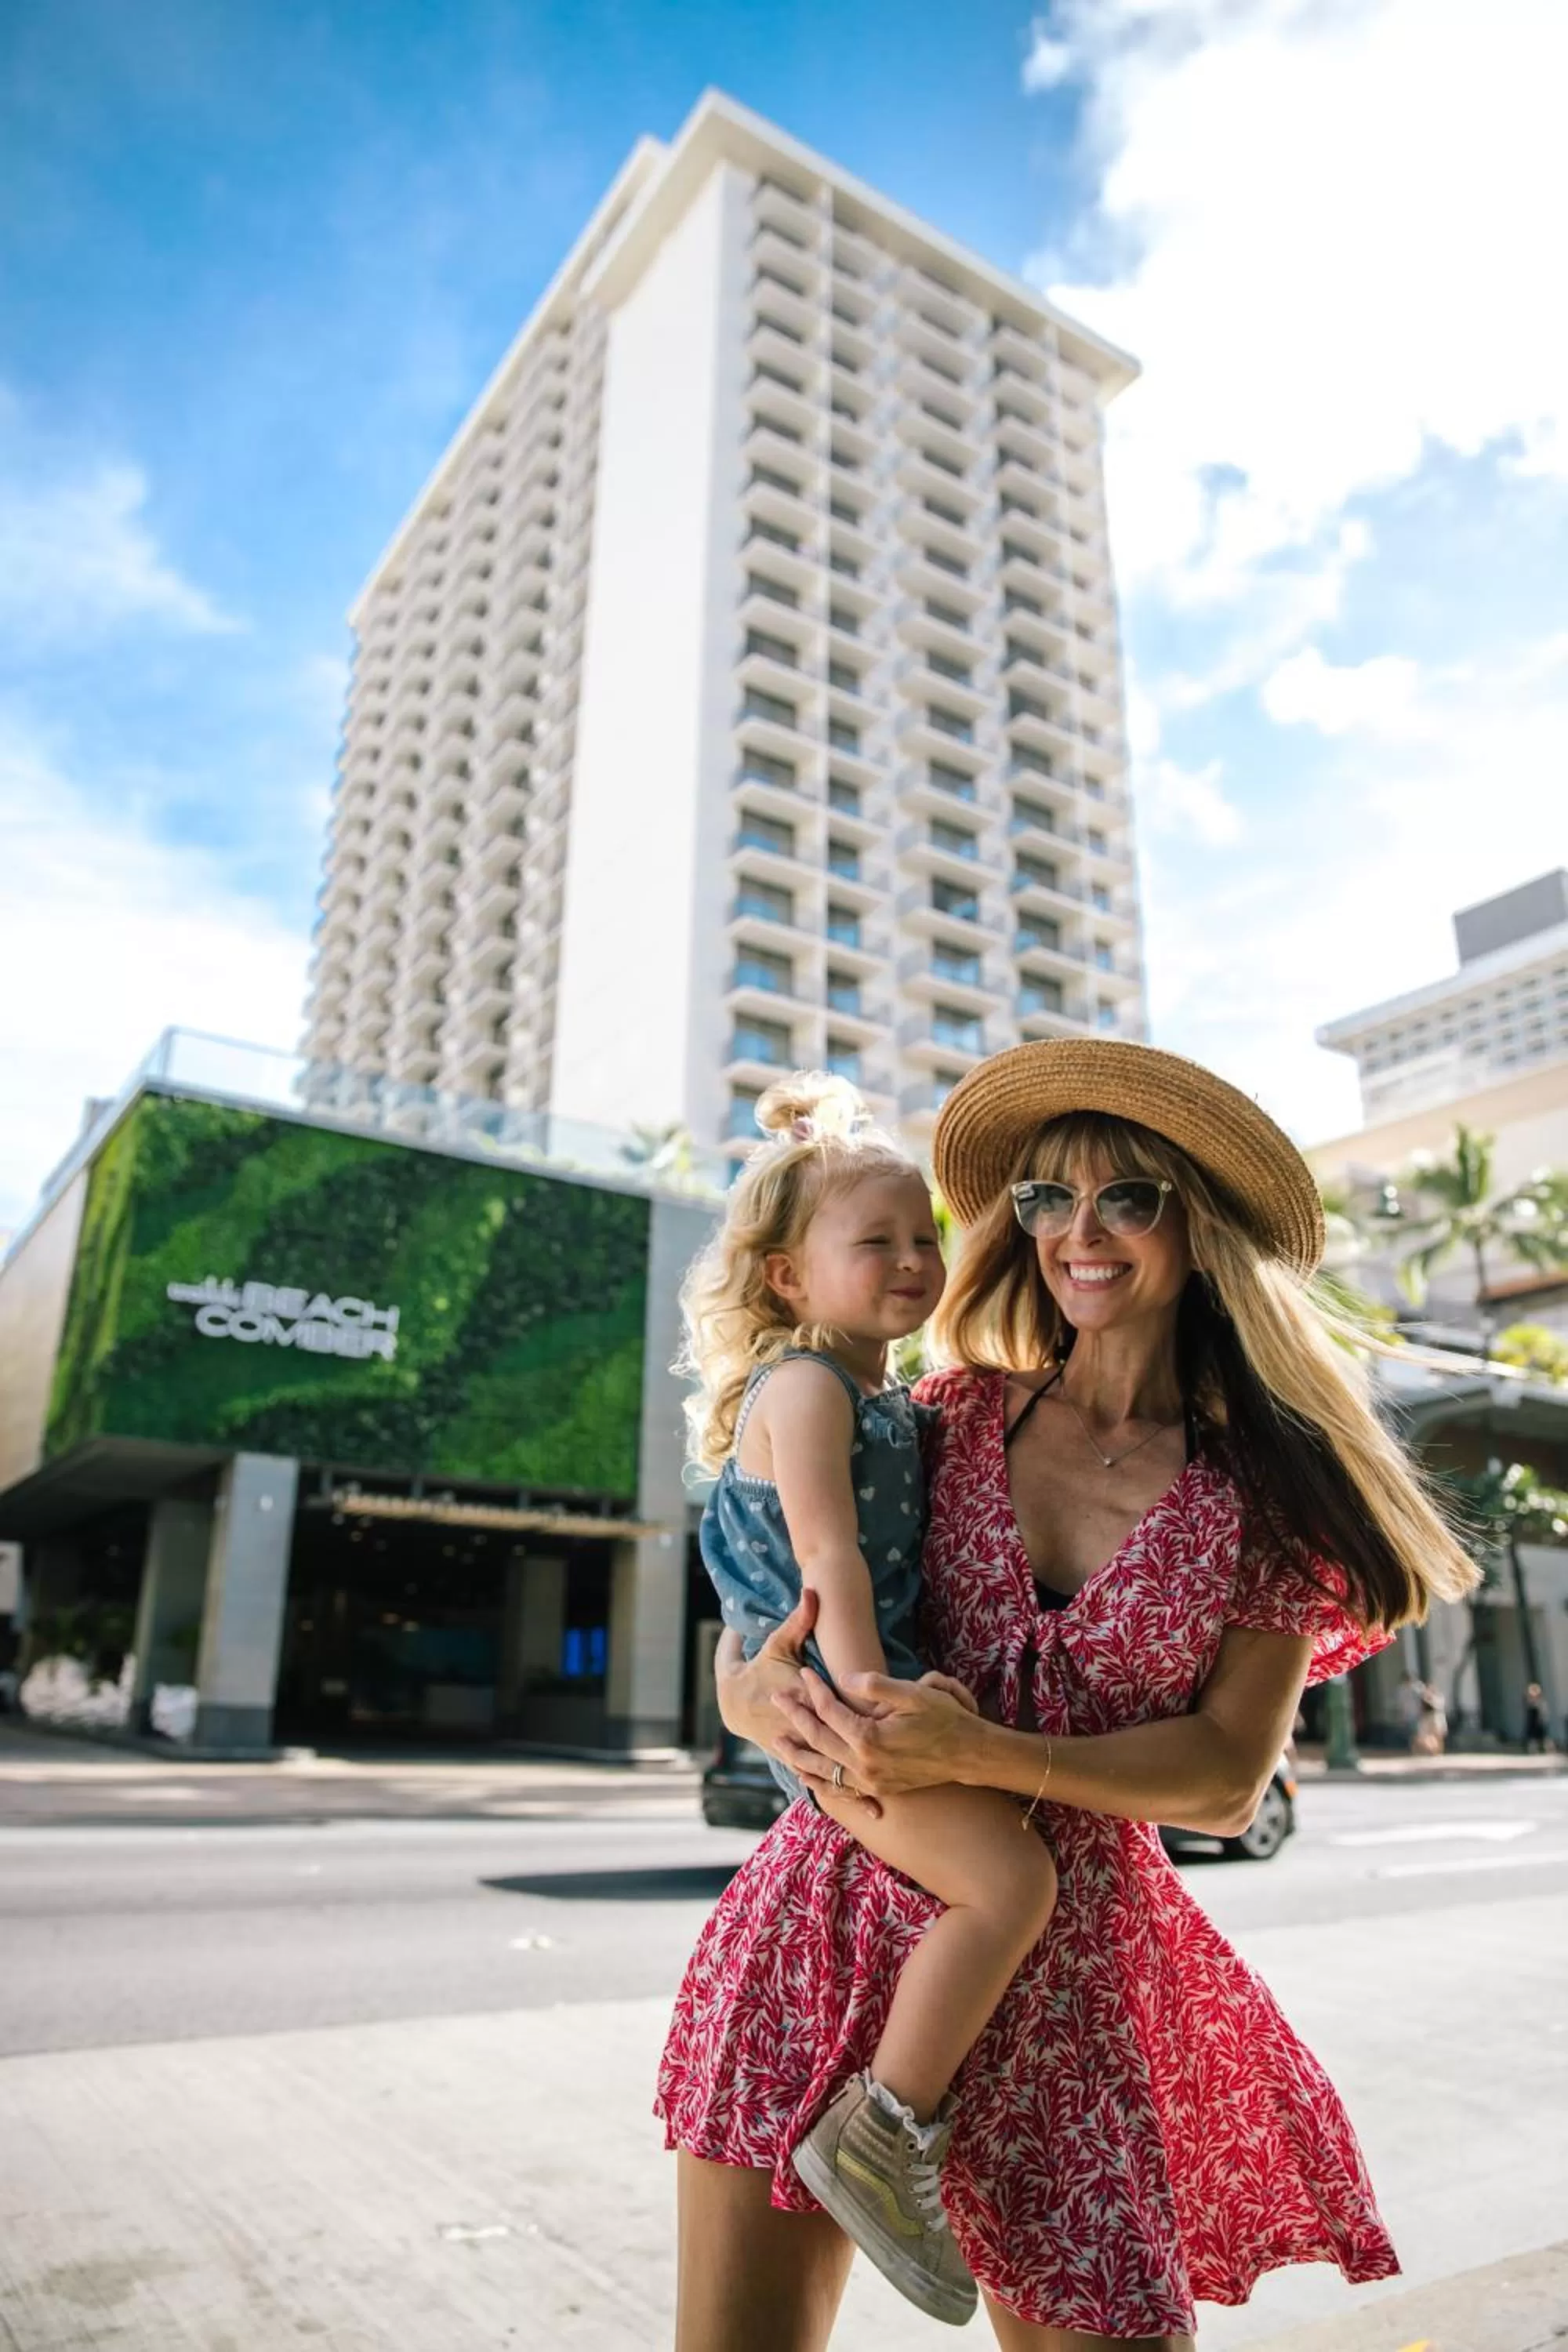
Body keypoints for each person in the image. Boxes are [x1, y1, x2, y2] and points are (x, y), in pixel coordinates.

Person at [658, 1038, 1481, 2350]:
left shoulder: (1263, 1501)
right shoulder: (943, 1415)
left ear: (1198, 1228)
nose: (1077, 1232)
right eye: (1046, 1199)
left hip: (1074, 1988)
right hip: (826, 1922)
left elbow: (1223, 1776)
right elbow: (775, 1577)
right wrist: (752, 1700)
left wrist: (984, 1749)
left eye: (1126, 1198)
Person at [681, 1072, 1058, 2325]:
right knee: (1011, 1884)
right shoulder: (805, 1388)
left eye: (924, 1240)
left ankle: (892, 2120)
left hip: (848, 1696)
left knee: (1001, 1878)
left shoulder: (886, 1394)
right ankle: (882, 2136)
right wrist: (866, 1707)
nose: (911, 1261)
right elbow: (828, 1561)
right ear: (788, 1277)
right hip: (837, 1716)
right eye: (875, 1243)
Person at [1523, 1681, 1551, 1752]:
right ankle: (1533, 1749)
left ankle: (1547, 1748)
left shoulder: (1541, 1701)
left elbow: (1543, 1710)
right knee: (1532, 1735)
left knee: (1543, 1735)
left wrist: (1543, 1717)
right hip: (1532, 1720)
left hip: (1539, 1720)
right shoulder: (1529, 1701)